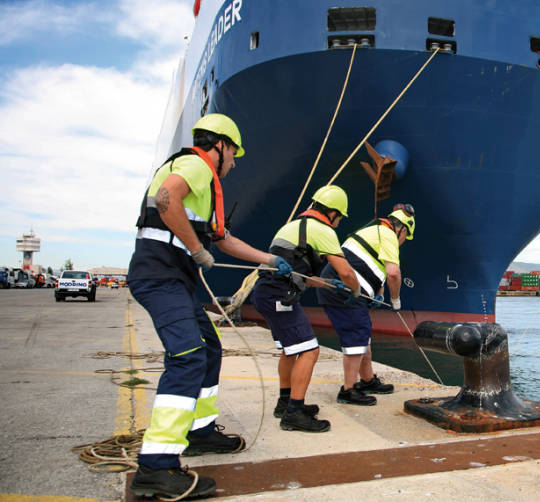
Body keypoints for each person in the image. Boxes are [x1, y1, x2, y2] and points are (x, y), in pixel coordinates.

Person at [127, 113, 293, 499]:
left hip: (175, 279)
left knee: (209, 348)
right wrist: (197, 250)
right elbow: (166, 198)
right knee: (187, 356)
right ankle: (156, 466)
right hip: (161, 276)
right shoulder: (196, 166)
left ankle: (199, 432)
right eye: (234, 154)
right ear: (220, 145)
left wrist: (268, 260)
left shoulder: (204, 180)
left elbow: (224, 239)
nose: (234, 163)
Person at [250, 185, 361, 432]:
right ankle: (294, 412)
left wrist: (329, 284)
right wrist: (355, 292)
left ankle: (285, 402)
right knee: (309, 350)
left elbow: (296, 272)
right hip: (280, 297)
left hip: (266, 294)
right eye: (340, 217)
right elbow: (346, 271)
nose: (339, 222)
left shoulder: (293, 226)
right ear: (332, 213)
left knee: (290, 351)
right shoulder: (323, 230)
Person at [316, 204, 415, 405]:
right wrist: (395, 301)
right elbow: (393, 273)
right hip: (343, 290)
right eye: (405, 237)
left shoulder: (372, 230)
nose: (403, 242)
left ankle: (367, 381)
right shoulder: (388, 235)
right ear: (402, 229)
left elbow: (369, 264)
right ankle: (348, 390)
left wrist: (378, 292)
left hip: (347, 290)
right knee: (357, 335)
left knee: (364, 334)